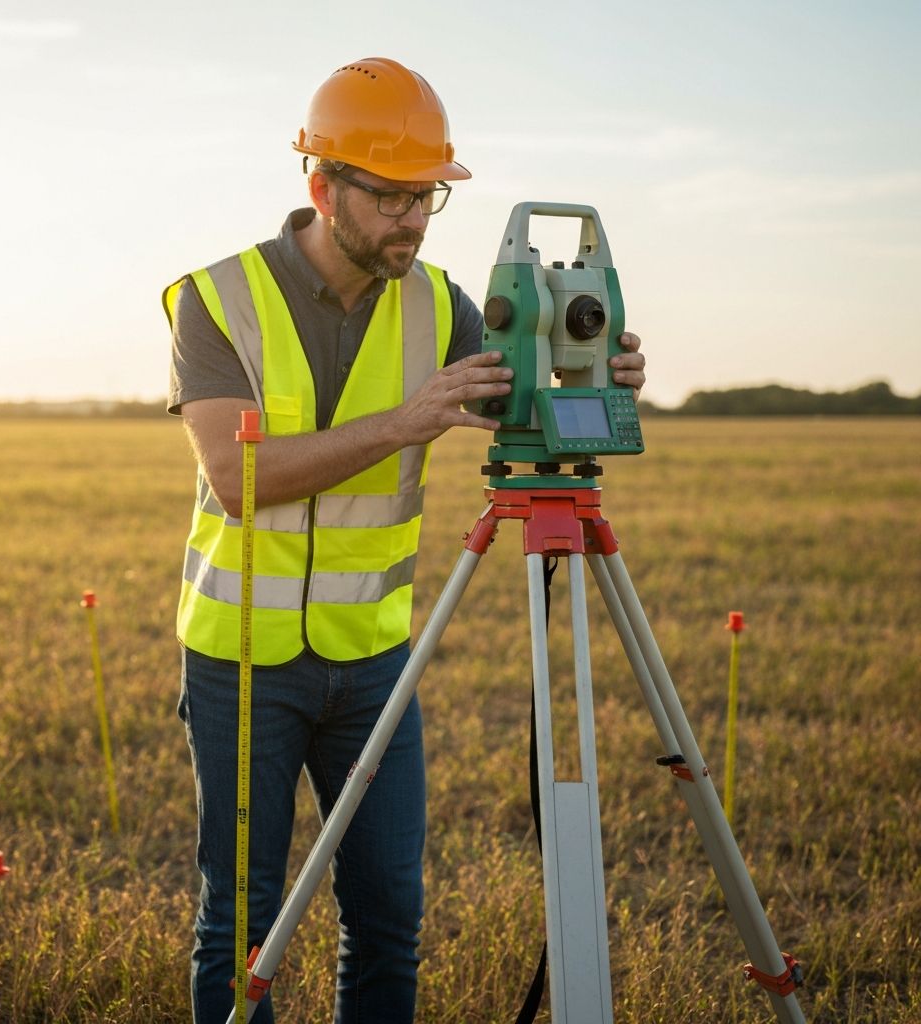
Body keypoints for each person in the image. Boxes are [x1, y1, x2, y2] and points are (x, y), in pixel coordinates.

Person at [164, 57, 645, 1024]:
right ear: (322, 186)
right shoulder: (216, 300)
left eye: (426, 197)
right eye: (388, 197)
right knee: (242, 922)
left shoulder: (443, 305)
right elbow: (237, 480)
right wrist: (403, 422)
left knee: (387, 918)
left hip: (377, 660)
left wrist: (595, 373)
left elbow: (523, 408)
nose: (412, 220)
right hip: (243, 662)